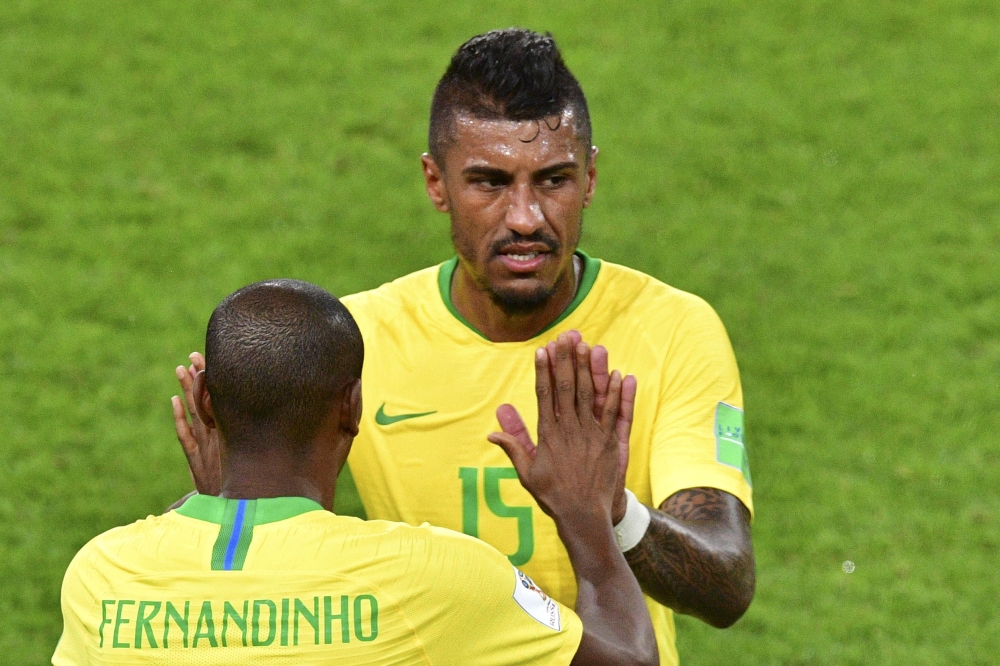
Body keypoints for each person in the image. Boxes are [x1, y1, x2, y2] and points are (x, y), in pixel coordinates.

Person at [176, 27, 755, 666]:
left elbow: (726, 583)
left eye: (554, 180)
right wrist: (230, 502)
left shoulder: (672, 328)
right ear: (435, 183)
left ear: (590, 177)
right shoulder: (358, 340)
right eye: (490, 182)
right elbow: (278, 579)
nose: (526, 217)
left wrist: (608, 510)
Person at [54, 279, 656, 665]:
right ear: (352, 406)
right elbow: (628, 660)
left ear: (207, 402)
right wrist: (586, 514)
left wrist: (226, 513)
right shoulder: (433, 577)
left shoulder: (102, 577)